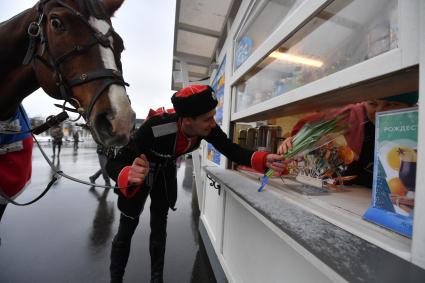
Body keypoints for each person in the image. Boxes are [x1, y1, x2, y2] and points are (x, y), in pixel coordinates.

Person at [106, 85, 286, 283]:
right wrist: (126, 173)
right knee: (126, 228)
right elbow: (114, 162)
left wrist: (263, 159)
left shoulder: (205, 128)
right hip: (141, 171)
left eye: (213, 116)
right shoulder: (157, 126)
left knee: (159, 227)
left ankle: (156, 278)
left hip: (164, 172)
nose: (213, 124)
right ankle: (116, 279)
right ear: (188, 120)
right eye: (208, 119)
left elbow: (231, 149)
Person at [278, 92, 418, 187]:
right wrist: (296, 140)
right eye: (372, 104)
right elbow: (310, 124)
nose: (378, 111)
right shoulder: (353, 117)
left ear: (411, 107)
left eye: (391, 104)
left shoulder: (417, 131)